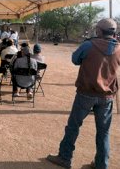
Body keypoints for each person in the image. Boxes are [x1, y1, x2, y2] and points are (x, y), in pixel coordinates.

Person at [47, 18, 120, 169]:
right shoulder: (119, 48)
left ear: (99, 30)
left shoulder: (89, 45)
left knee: (73, 126)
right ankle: (101, 165)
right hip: (107, 96)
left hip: (86, 93)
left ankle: (64, 158)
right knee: (104, 132)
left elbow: (75, 59)